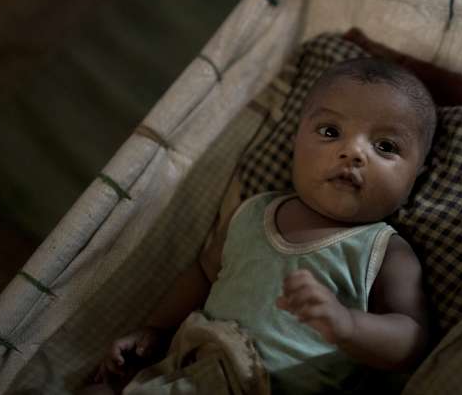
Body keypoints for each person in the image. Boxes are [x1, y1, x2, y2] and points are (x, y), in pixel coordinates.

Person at [90, 57, 437, 394]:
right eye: (331, 131)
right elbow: (203, 273)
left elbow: (411, 340)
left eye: (385, 146)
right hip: (191, 372)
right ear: (296, 139)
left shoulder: (383, 250)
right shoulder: (254, 211)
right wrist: (158, 329)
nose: (353, 152)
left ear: (416, 173)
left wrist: (348, 326)